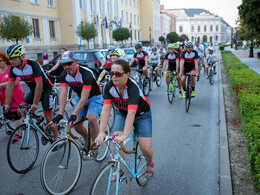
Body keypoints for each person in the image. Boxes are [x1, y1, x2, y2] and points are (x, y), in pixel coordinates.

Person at [95, 59, 154, 178]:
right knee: (115, 140)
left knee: (145, 149)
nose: (114, 76)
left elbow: (132, 113)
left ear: (127, 74)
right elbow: (106, 109)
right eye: (111, 73)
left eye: (118, 74)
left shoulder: (133, 87)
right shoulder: (109, 86)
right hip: (122, 113)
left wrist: (125, 134)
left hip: (142, 115)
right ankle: (119, 167)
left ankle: (149, 162)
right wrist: (101, 132)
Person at [51, 51, 102, 157]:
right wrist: (60, 114)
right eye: (64, 64)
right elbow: (63, 95)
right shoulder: (64, 75)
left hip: (94, 97)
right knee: (76, 125)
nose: (67, 67)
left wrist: (73, 114)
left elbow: (85, 98)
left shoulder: (86, 73)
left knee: (92, 118)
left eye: (69, 63)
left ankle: (95, 145)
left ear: (75, 62)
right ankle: (87, 139)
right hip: (80, 98)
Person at [5, 44, 58, 141]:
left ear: (22, 56)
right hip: (34, 91)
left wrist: (35, 103)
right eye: (10, 59)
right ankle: (38, 118)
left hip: (46, 90)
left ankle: (56, 139)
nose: (11, 61)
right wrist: (6, 104)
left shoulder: (33, 65)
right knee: (20, 110)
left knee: (48, 116)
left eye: (13, 58)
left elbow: (39, 85)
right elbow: (10, 86)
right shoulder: (13, 69)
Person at [0, 52, 24, 138]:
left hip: (14, 94)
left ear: (5, 61)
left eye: (0, 61)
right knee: (7, 114)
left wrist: (3, 85)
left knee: (16, 114)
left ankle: (18, 134)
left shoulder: (11, 68)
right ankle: (20, 123)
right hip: (4, 96)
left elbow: (16, 82)